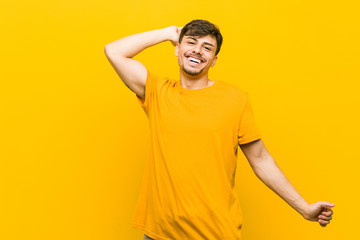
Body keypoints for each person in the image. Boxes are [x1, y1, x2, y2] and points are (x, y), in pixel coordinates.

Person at [104, 19, 334, 240]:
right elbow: (114, 51)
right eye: (191, 42)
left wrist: (304, 208)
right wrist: (169, 33)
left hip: (215, 233)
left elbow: (262, 160)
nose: (197, 51)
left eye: (207, 48)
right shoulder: (158, 92)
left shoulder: (235, 100)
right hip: (160, 234)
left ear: (213, 60)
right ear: (177, 49)